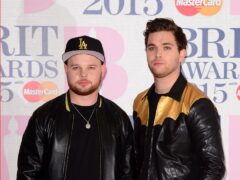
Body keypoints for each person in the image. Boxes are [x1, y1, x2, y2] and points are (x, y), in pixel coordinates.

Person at [17, 35, 135, 180]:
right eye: (76, 67)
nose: (83, 74)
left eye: (91, 67)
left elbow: (128, 175)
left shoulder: (119, 119)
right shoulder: (43, 117)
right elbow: (28, 174)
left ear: (102, 69)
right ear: (66, 69)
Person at [133, 18, 225, 180]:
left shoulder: (197, 104)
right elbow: (136, 162)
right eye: (151, 48)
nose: (158, 54)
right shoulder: (140, 102)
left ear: (182, 53)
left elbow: (214, 167)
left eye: (166, 47)